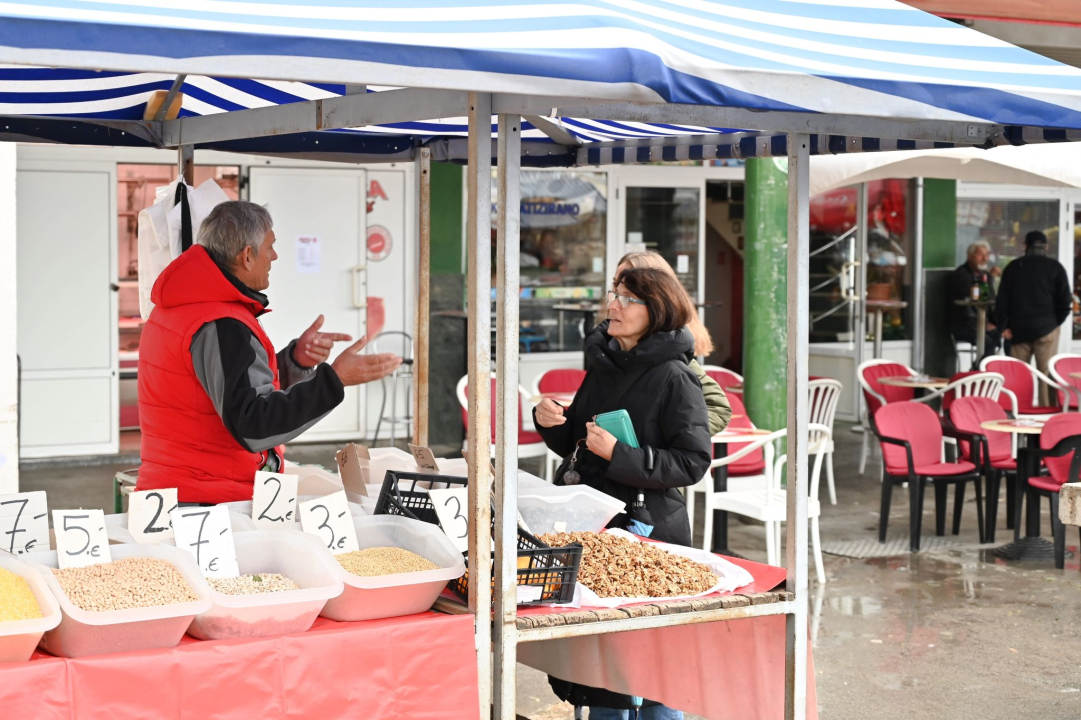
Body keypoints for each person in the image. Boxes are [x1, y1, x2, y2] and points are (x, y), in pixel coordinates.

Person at [534, 267, 713, 720]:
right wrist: (551, 421)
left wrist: (621, 455)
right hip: (595, 529)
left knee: (655, 668)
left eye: (627, 299)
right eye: (614, 294)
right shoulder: (603, 364)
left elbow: (692, 462)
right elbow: (579, 442)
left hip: (648, 532)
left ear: (656, 311)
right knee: (603, 666)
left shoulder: (676, 377)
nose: (613, 305)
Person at [137, 201, 401, 503]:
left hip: (181, 487)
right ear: (247, 256)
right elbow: (254, 425)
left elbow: (223, 390)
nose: (274, 256)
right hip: (207, 498)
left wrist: (294, 361)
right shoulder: (220, 323)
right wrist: (335, 380)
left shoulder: (182, 305)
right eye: (270, 247)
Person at [599, 250, 732, 435]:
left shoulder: (670, 347)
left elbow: (717, 407)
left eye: (629, 290)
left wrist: (668, 437)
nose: (615, 295)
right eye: (616, 284)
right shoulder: (614, 338)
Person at [995, 230, 1073, 406]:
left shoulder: (1013, 267)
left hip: (1017, 331)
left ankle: (1017, 411)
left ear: (1025, 246)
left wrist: (1003, 326)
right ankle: (1047, 415)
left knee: (1018, 375)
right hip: (1047, 329)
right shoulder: (1055, 267)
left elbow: (1002, 300)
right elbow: (1065, 301)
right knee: (1046, 375)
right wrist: (1054, 323)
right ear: (1046, 246)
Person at [949, 241, 999, 365]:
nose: (984, 258)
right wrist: (989, 278)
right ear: (970, 256)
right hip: (965, 325)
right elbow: (974, 295)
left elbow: (990, 299)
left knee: (1006, 336)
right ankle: (980, 369)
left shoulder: (985, 275)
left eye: (987, 255)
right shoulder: (961, 274)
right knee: (988, 342)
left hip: (983, 322)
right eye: (980, 255)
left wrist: (995, 323)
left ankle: (1005, 370)